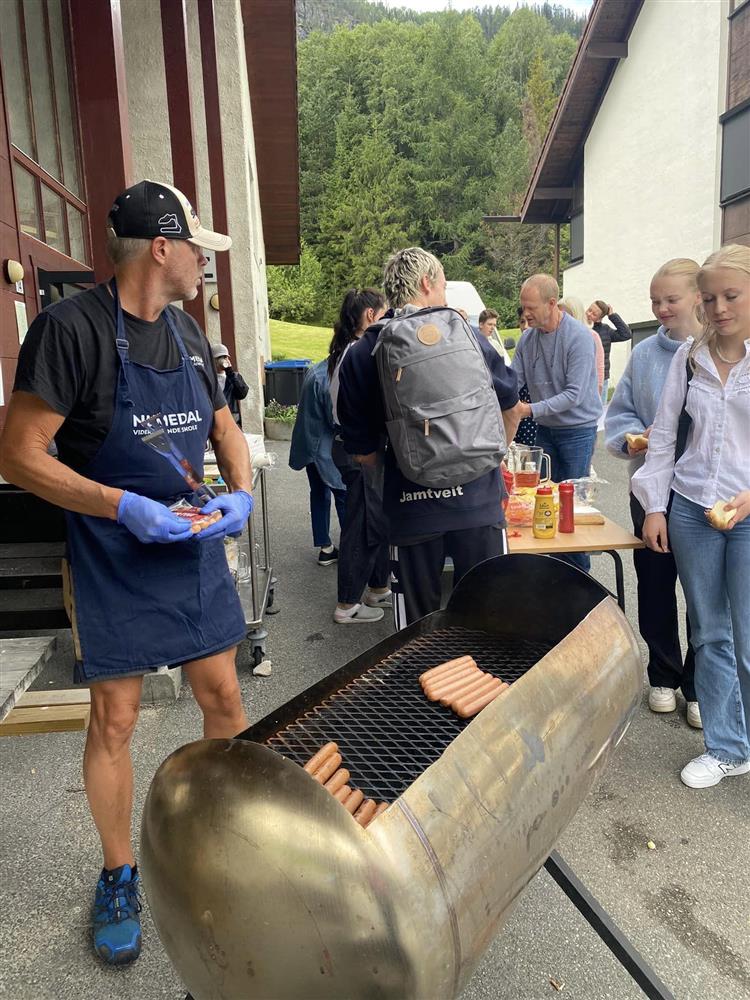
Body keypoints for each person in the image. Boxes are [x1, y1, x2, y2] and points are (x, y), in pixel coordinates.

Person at [0, 180, 253, 964]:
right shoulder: (67, 332)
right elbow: (18, 454)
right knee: (115, 717)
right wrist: (118, 506)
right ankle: (118, 873)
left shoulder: (187, 336)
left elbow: (225, 428)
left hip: (189, 542)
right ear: (162, 247)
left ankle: (217, 848)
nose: (204, 271)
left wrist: (239, 495)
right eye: (198, 254)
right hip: (111, 551)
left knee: (225, 698)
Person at [337, 247, 523, 627]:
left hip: (411, 510)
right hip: (478, 502)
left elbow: (363, 452)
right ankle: (487, 685)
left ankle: (422, 683)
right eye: (441, 286)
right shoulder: (468, 334)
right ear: (427, 283)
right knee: (491, 614)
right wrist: (494, 455)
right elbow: (512, 406)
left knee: (416, 629)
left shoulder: (364, 350)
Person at [632, 244, 750, 789]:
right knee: (709, 633)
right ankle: (727, 749)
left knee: (748, 637)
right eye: (711, 298)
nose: (720, 307)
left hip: (747, 514)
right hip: (690, 508)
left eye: (732, 295)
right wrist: (655, 507)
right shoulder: (690, 357)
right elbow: (661, 441)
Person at [605, 259, 703, 728]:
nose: (661, 309)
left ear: (697, 297)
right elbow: (619, 412)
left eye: (670, 299)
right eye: (654, 301)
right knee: (657, 584)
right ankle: (663, 673)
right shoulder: (644, 354)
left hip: (706, 496)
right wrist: (630, 437)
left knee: (705, 594)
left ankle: (702, 685)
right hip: (649, 490)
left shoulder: (722, 351)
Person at [513, 274, 602, 571]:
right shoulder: (527, 339)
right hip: (546, 428)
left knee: (571, 506)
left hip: (578, 430)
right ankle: (553, 572)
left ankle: (579, 577)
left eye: (531, 307)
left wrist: (527, 410)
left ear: (552, 304)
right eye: (523, 306)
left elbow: (574, 395)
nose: (525, 313)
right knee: (544, 500)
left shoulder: (579, 338)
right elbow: (513, 381)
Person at [328, 288, 391, 624]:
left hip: (350, 445)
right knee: (361, 523)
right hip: (359, 448)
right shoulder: (359, 352)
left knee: (374, 519)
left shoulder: (344, 349)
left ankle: (378, 587)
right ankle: (347, 604)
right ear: (370, 315)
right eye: (385, 313)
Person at [289, 359, 347, 566]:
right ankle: (350, 551)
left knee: (319, 494)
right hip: (325, 448)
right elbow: (335, 419)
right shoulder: (330, 377)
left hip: (308, 445)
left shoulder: (318, 370)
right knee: (343, 495)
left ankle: (325, 547)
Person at [585, 299, 632, 405]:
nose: (588, 314)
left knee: (599, 410)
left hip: (601, 379)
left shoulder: (606, 330)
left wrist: (612, 316)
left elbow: (626, 334)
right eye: (589, 310)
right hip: (584, 377)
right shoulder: (579, 326)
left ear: (600, 318)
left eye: (594, 313)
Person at [559, 296, 604, 394]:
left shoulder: (592, 336)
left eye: (566, 315)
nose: (561, 318)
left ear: (576, 315)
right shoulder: (557, 337)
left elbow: (599, 371)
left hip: (585, 397)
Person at [514, 306, 536, 448]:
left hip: (535, 412)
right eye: (522, 322)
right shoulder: (521, 346)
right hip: (518, 410)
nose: (525, 326)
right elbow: (515, 378)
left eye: (529, 321)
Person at [212, 343, 249, 426]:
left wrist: (230, 373)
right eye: (219, 358)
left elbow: (242, 394)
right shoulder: (208, 378)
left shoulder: (234, 376)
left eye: (225, 357)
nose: (223, 360)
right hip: (214, 420)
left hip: (231, 421)